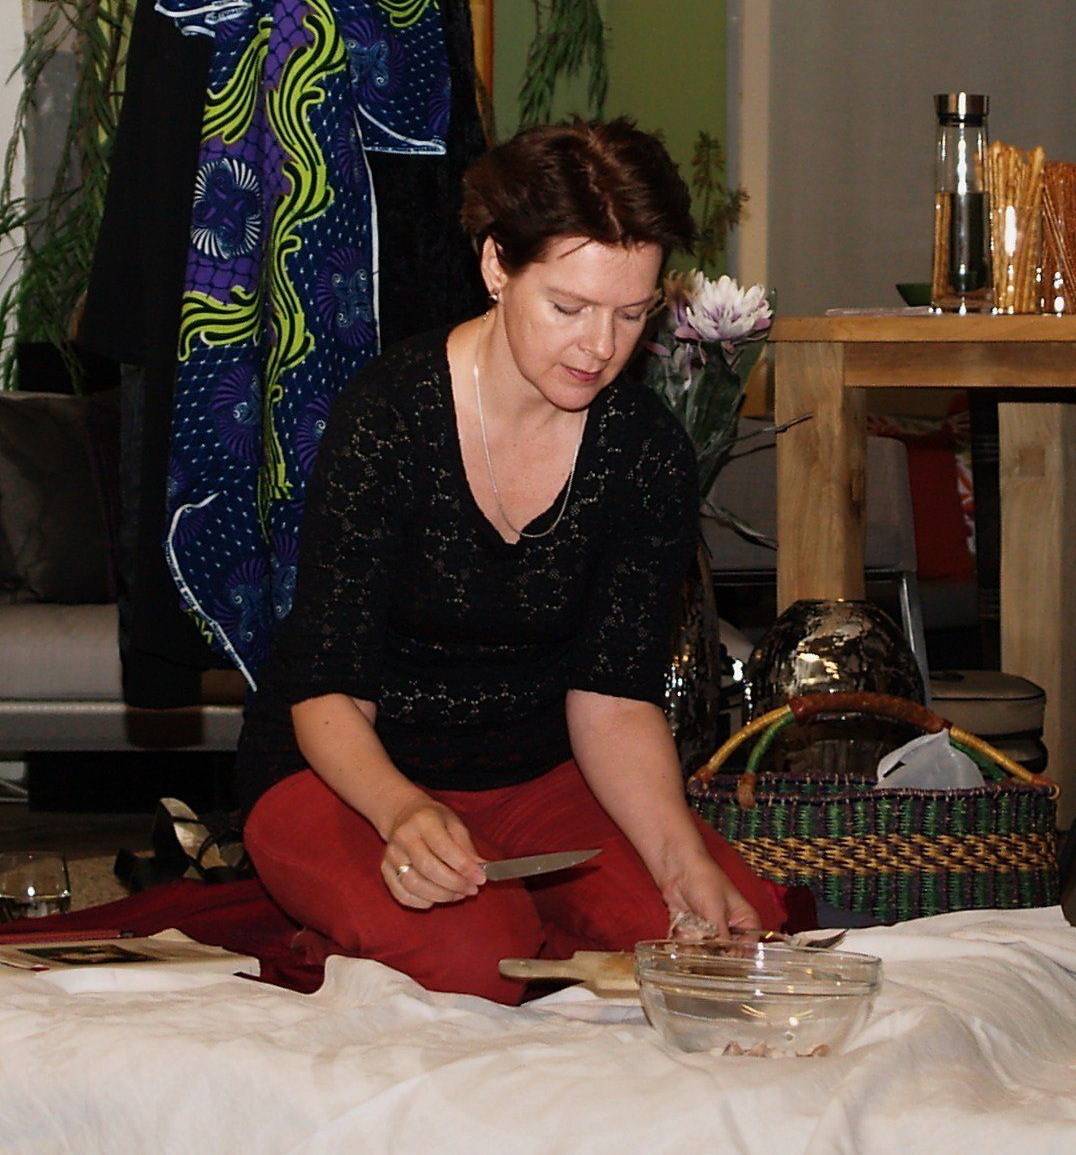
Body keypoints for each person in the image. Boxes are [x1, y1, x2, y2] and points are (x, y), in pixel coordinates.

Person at [235, 118, 787, 1002]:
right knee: (473, 961)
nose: (600, 346)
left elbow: (613, 699)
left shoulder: (644, 449)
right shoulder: (389, 414)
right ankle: (442, 925)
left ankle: (536, 922)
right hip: (348, 770)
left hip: (537, 778)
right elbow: (326, 687)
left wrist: (679, 858)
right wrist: (403, 810)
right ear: (497, 265)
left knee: (725, 939)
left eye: (632, 314)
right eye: (568, 307)